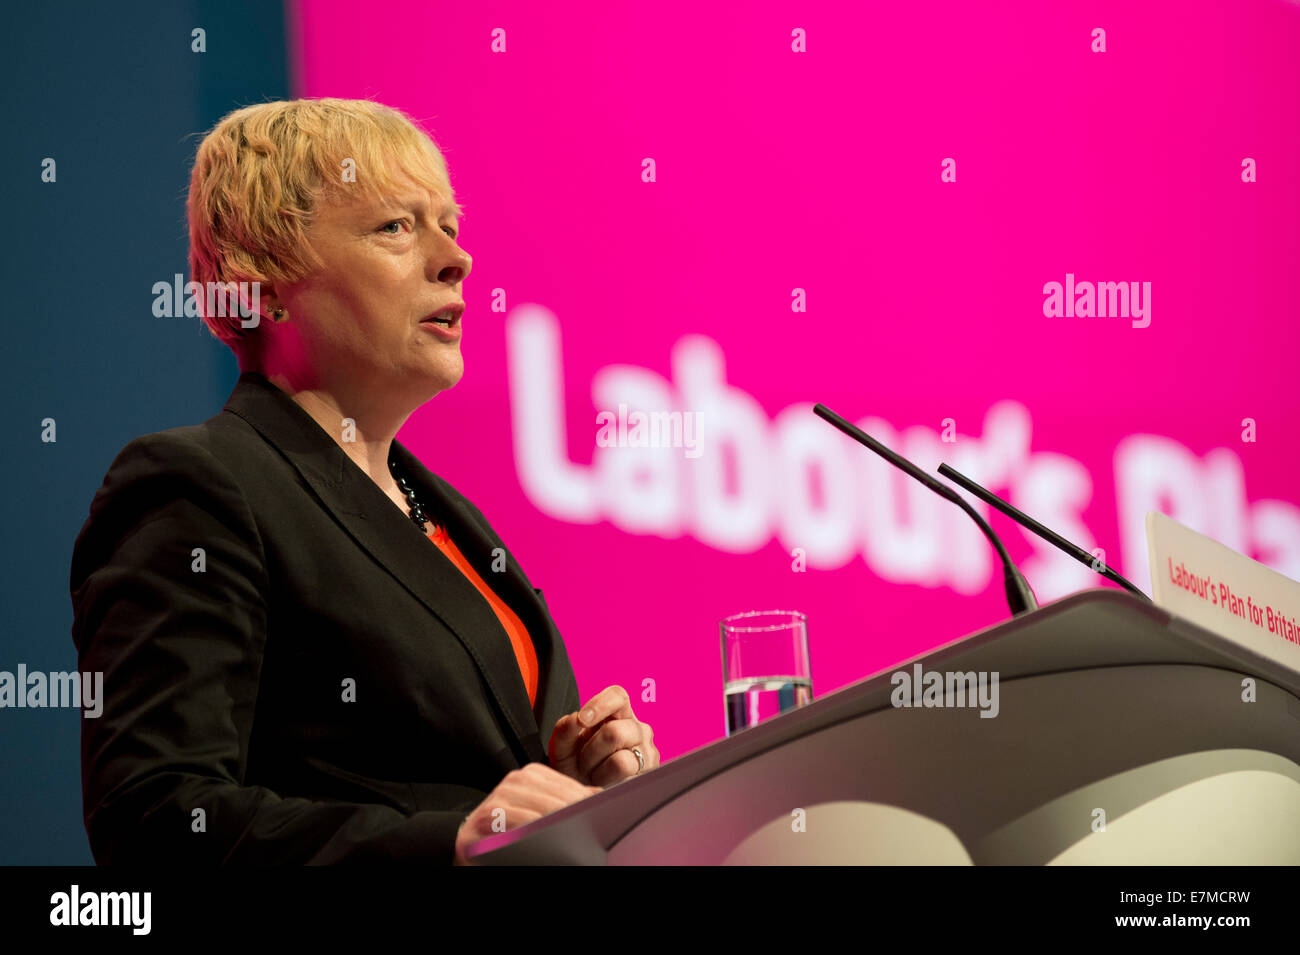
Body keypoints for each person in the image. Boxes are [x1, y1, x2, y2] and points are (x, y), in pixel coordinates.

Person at [68, 97, 659, 866]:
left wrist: (570, 782)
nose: (456, 258)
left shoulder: (452, 516)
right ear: (264, 280)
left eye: (450, 224)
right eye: (395, 227)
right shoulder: (198, 486)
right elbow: (153, 818)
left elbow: (471, 785)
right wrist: (447, 843)